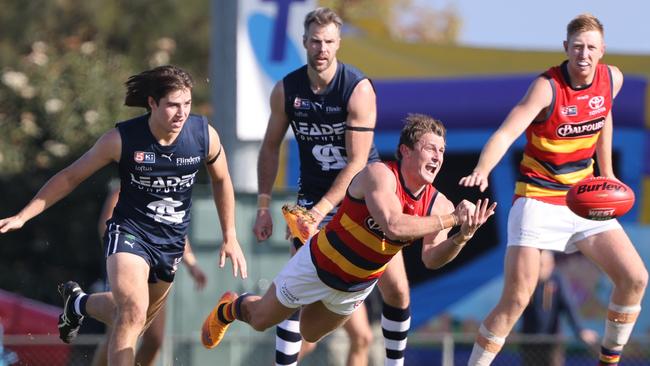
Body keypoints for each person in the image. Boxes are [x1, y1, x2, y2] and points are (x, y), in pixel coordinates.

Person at [0, 65, 248, 366]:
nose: (181, 113)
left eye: (187, 104)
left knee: (134, 319)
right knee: (132, 311)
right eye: (172, 104)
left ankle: (79, 303)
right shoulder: (121, 139)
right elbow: (69, 177)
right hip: (129, 233)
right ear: (152, 103)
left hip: (169, 243)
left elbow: (222, 180)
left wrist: (230, 235)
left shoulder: (204, 136)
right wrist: (25, 215)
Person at [203, 114, 497, 362]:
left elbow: (431, 259)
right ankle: (229, 307)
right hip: (317, 265)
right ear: (406, 150)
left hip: (355, 288)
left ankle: (297, 279)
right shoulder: (380, 175)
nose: (438, 157)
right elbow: (394, 225)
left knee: (310, 334)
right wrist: (453, 220)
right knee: (261, 319)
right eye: (430, 148)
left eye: (442, 151)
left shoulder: (440, 205)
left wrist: (462, 236)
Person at [458, 14, 647, 366]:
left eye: (591, 47)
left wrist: (606, 173)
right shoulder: (547, 87)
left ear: (602, 50)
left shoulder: (612, 79)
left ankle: (609, 361)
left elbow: (604, 115)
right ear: (566, 48)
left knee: (635, 278)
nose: (584, 54)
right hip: (537, 197)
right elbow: (505, 132)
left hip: (582, 200)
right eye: (577, 47)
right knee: (516, 299)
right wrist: (482, 169)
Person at [251, 7, 412, 366]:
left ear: (338, 44)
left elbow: (356, 163)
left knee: (397, 289)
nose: (321, 49)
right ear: (304, 43)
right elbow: (269, 147)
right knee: (293, 292)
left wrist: (320, 211)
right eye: (315, 42)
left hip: (363, 197)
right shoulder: (286, 89)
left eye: (328, 42)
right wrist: (263, 206)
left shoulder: (357, 89)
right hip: (312, 198)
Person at [91, 185, 208, 366]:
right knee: (121, 329)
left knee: (154, 338)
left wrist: (192, 264)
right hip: (126, 267)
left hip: (155, 271)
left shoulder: (169, 189)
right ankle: (80, 303)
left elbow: (175, 231)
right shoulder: (123, 189)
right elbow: (105, 227)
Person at [520, 250, 598, 366]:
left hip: (552, 341)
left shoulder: (557, 280)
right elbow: (515, 305)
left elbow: (568, 306)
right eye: (538, 264)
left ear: (551, 265)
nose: (541, 268)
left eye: (543, 264)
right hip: (529, 340)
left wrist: (580, 330)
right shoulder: (527, 281)